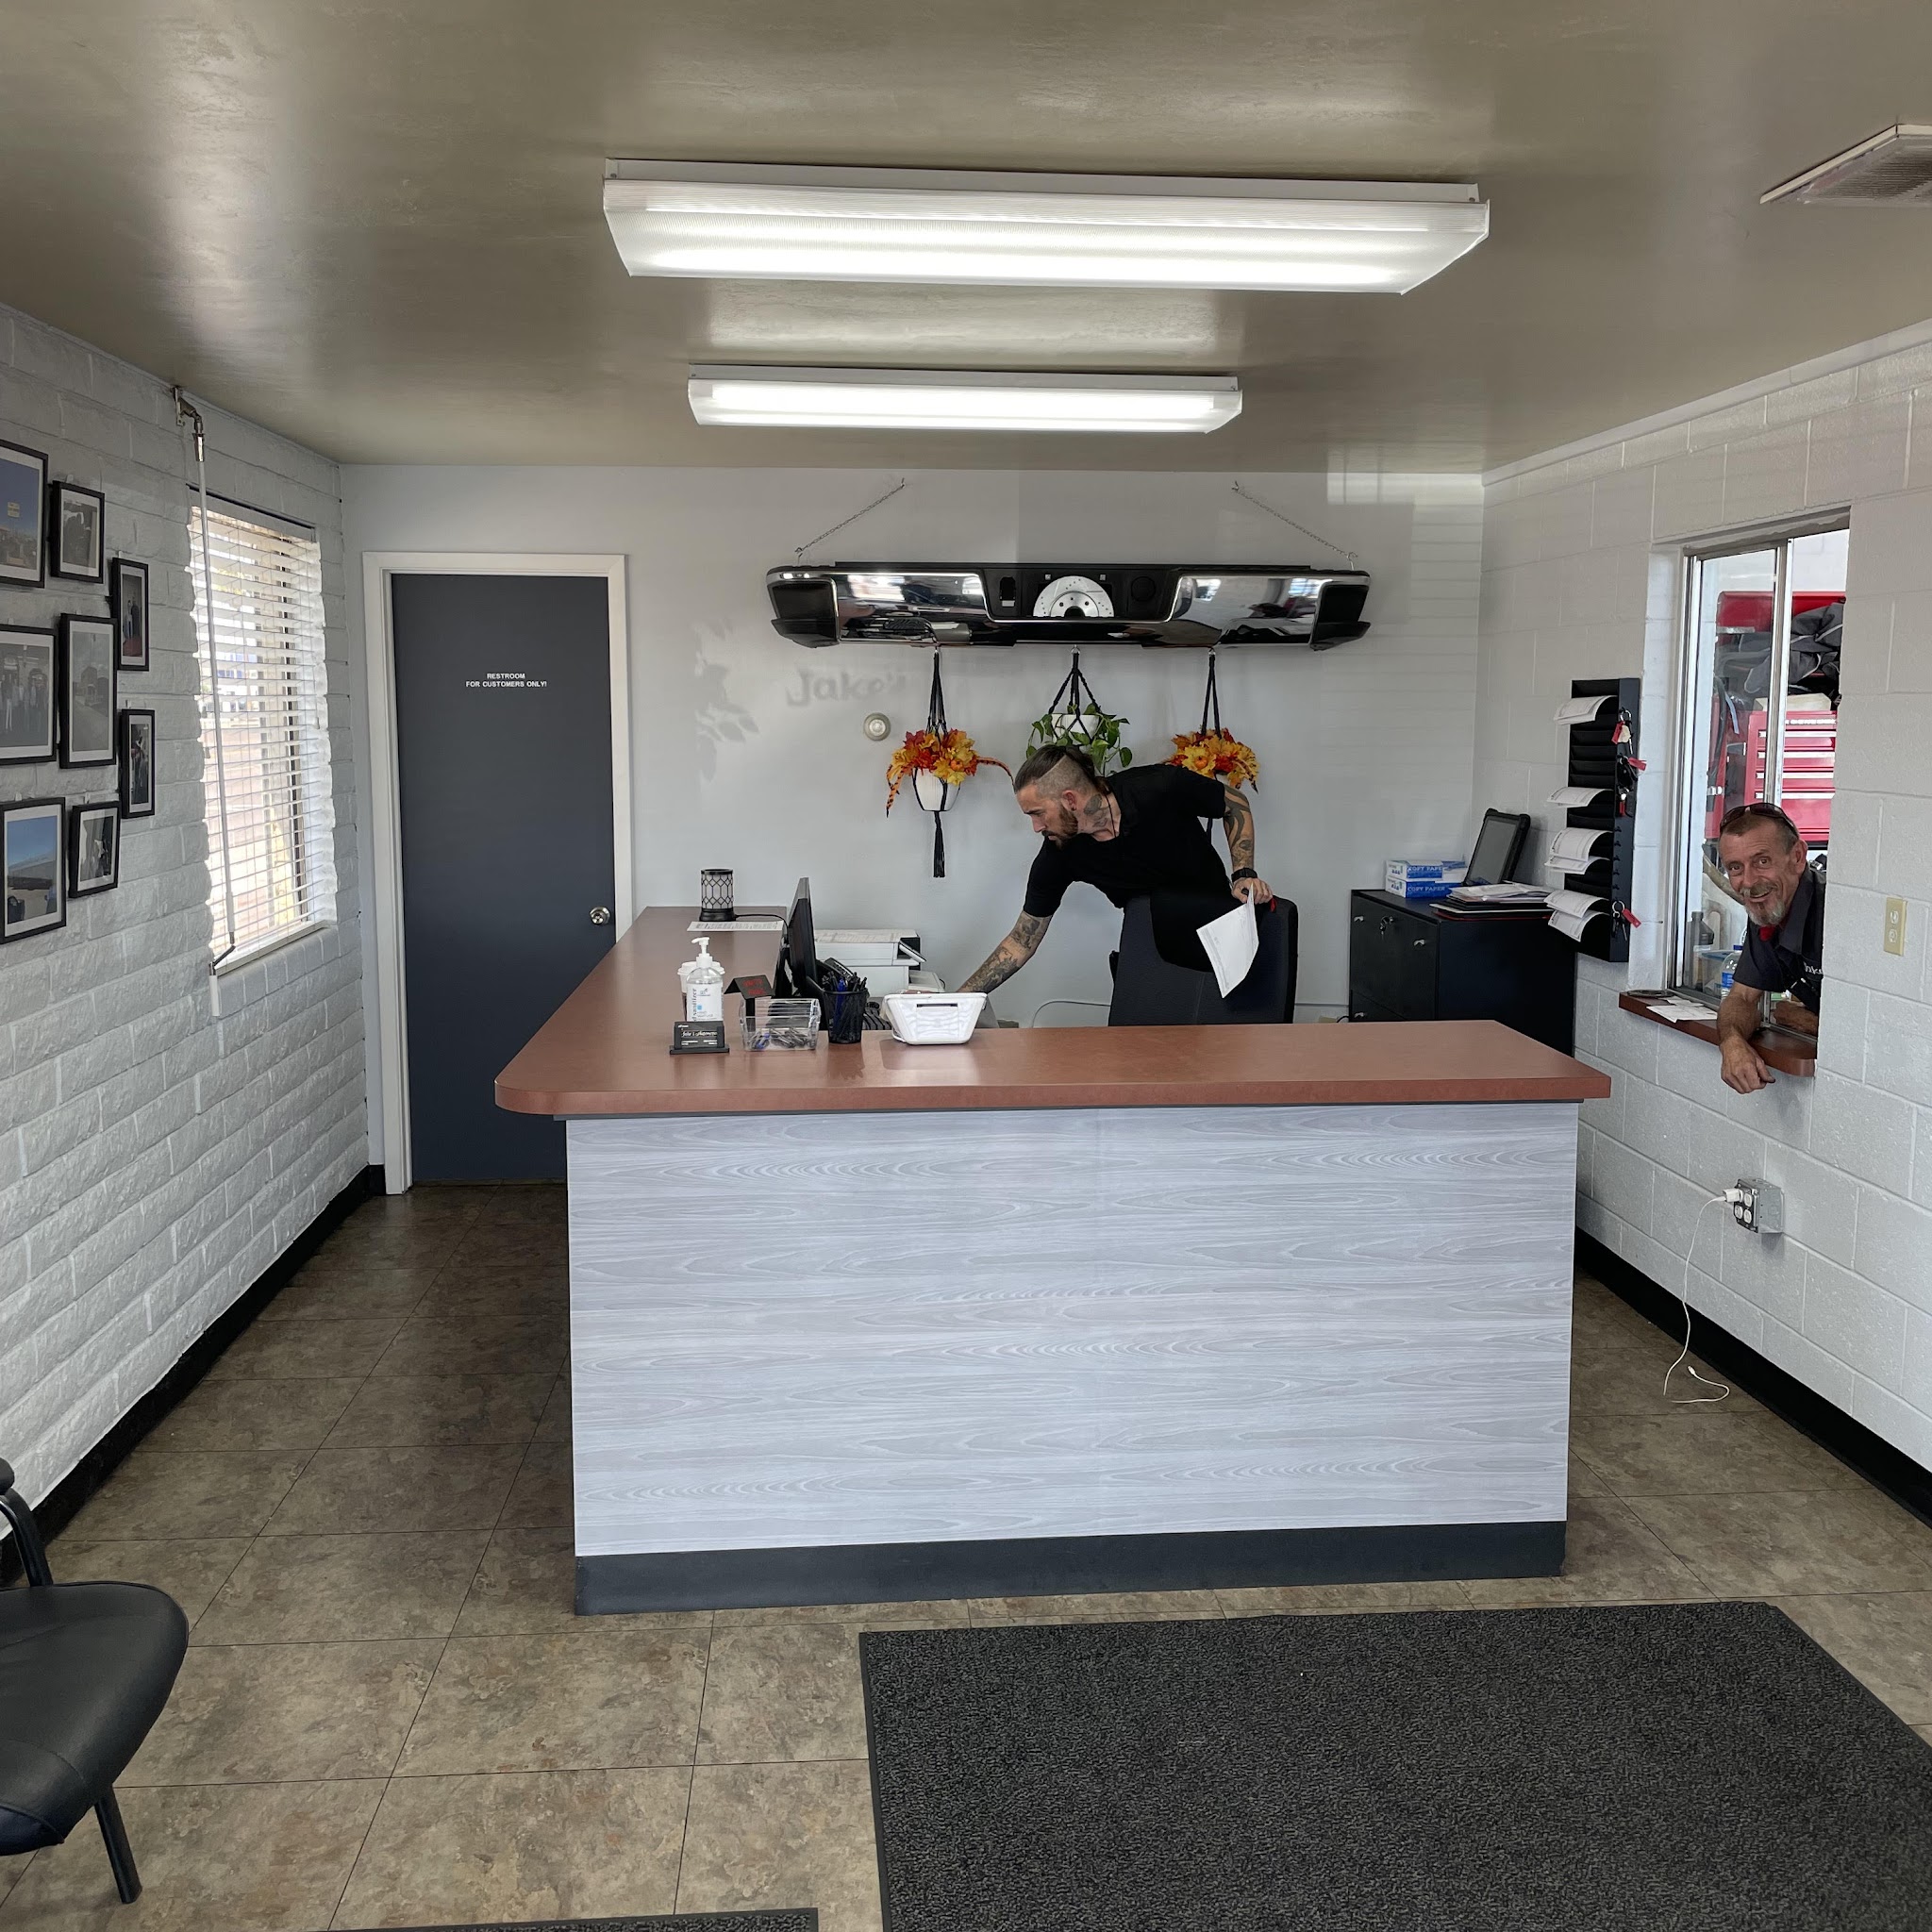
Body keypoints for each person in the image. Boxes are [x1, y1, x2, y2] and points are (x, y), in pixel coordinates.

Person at [959, 743, 1270, 997]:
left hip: (1220, 935)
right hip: (1152, 950)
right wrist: (957, 1000)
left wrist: (1243, 874)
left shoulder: (1158, 786)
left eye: (1038, 813)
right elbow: (1020, 941)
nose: (1036, 827)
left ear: (1070, 800)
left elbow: (1234, 803)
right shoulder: (1060, 853)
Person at [1714, 801, 1824, 1094]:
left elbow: (1872, 1033)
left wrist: (1803, 1019)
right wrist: (1731, 1041)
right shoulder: (1767, 909)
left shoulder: (1834, 913)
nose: (1749, 882)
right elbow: (1742, 997)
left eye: (1762, 861)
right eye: (1735, 867)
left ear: (1797, 857)